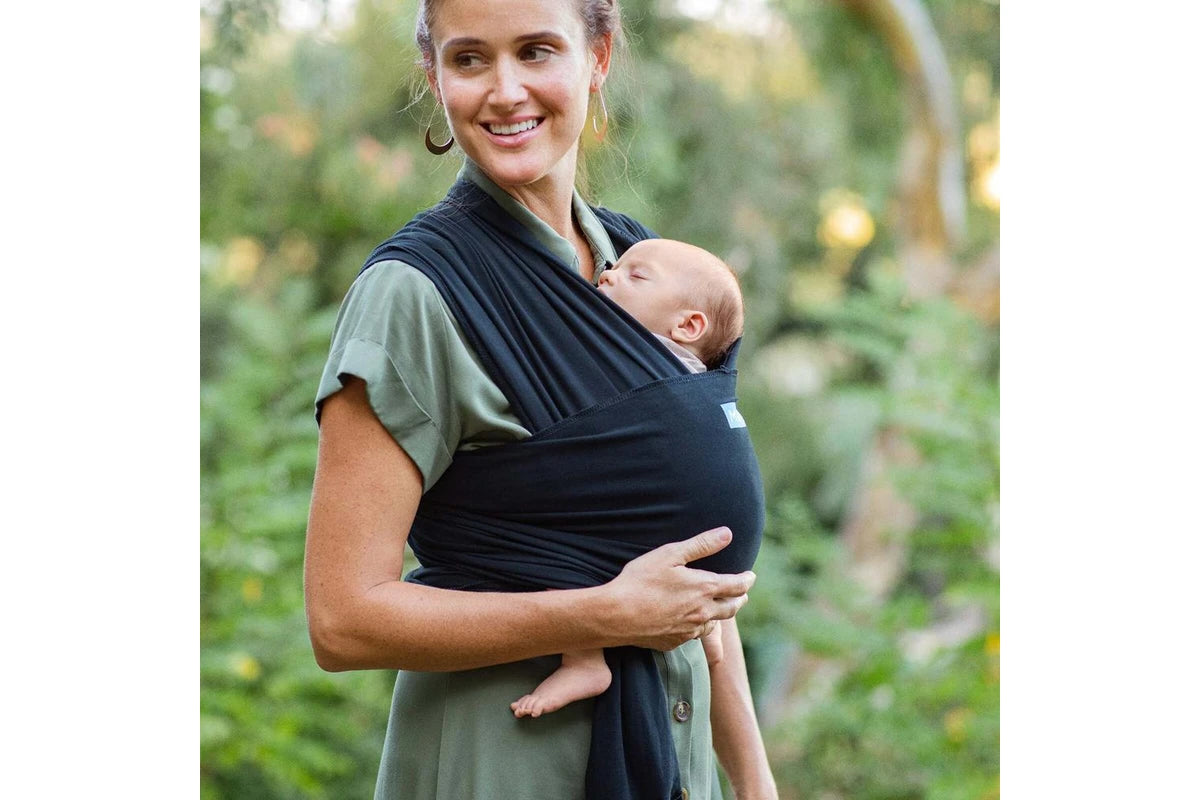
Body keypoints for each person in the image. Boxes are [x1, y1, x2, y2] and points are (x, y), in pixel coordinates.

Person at [304, 0, 779, 797]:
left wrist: (756, 786)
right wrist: (601, 615)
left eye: (536, 51)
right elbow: (343, 621)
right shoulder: (415, 293)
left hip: (681, 758)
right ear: (435, 78)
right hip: (503, 761)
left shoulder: (642, 264)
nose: (505, 90)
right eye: (468, 59)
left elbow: (692, 583)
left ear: (598, 58)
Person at [511, 238, 746, 720]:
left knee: (551, 541)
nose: (607, 275)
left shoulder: (626, 355)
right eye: (613, 266)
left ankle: (583, 658)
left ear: (687, 326)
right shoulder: (687, 369)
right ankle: (704, 627)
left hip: (655, 521)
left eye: (636, 276)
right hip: (705, 538)